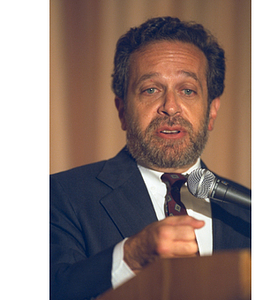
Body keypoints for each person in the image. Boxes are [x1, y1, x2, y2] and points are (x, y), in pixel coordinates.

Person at [50, 16, 251, 300]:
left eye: (188, 90)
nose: (170, 107)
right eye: (151, 90)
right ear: (122, 110)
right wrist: (132, 255)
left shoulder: (248, 212)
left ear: (212, 111)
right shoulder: (61, 195)